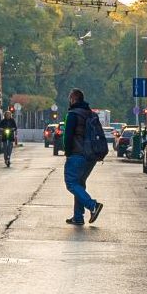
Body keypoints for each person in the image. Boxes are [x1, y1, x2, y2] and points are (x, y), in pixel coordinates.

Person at [62, 89, 103, 225]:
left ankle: (93, 205)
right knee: (79, 184)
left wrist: (67, 152)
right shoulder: (90, 114)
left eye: (70, 99)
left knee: (71, 183)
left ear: (73, 99)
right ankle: (78, 217)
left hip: (77, 154)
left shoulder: (73, 114)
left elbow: (68, 136)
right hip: (91, 156)